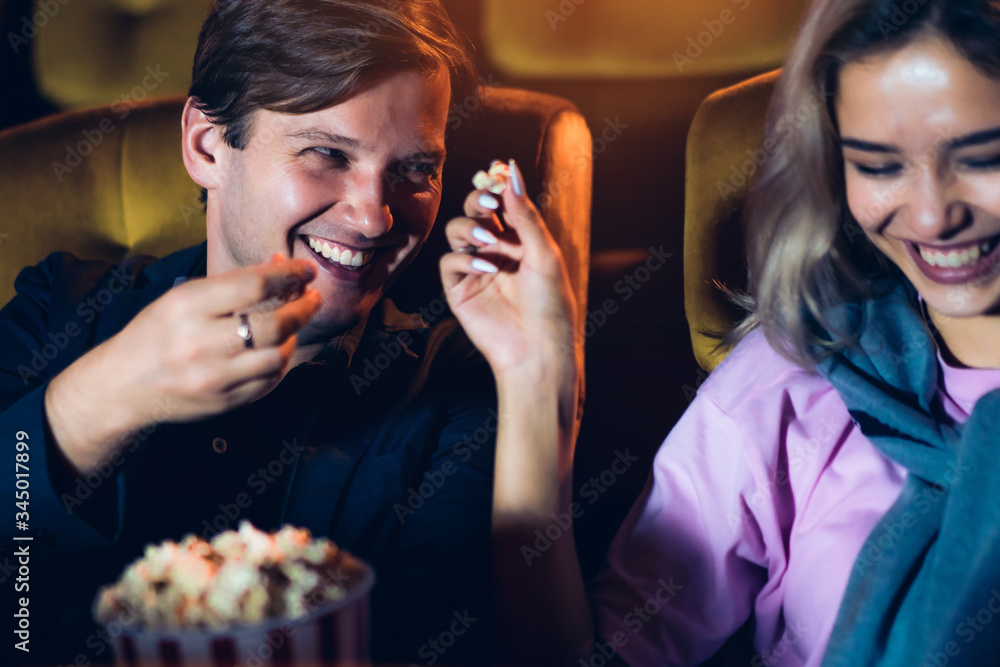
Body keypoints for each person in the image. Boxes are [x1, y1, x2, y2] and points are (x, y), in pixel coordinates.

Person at [442, 0, 1000, 664]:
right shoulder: (791, 378)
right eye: (880, 165)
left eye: (983, 156)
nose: (935, 215)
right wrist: (536, 370)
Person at [0, 1, 497, 665]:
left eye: (414, 169)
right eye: (326, 153)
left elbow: (448, 640)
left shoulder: (456, 379)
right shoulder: (58, 308)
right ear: (207, 145)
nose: (376, 218)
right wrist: (98, 401)